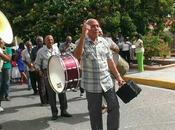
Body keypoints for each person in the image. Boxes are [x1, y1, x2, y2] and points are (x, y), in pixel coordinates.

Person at [74, 19, 124, 130]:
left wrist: (118, 77)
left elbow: (110, 61)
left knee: (114, 107)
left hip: (107, 82)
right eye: (93, 26)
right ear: (87, 28)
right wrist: (83, 35)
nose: (96, 28)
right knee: (95, 114)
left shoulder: (104, 42)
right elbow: (77, 55)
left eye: (97, 26)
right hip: (92, 86)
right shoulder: (80, 42)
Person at [35, 35, 72, 120]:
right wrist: (40, 72)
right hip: (48, 75)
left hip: (58, 74)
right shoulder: (41, 51)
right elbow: (36, 64)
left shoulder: (56, 49)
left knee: (62, 92)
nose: (50, 41)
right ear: (45, 41)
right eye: (48, 40)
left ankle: (64, 111)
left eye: (51, 39)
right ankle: (54, 113)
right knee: (51, 95)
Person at [31, 36, 48, 105]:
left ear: (43, 41)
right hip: (38, 69)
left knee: (47, 86)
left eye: (40, 41)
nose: (39, 42)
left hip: (46, 69)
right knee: (41, 86)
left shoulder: (45, 48)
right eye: (38, 41)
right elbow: (32, 60)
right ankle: (43, 101)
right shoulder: (34, 49)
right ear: (36, 42)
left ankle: (49, 100)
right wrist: (36, 68)